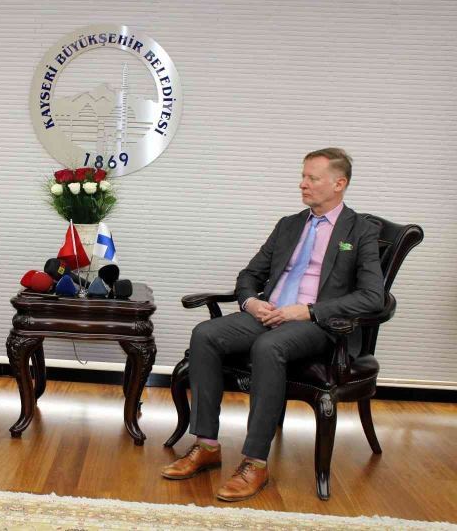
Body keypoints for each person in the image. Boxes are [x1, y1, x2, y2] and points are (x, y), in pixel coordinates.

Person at [160, 148, 384, 501]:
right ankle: (206, 444)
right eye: (303, 176)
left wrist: (308, 310)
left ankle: (255, 462)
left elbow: (373, 297)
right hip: (268, 314)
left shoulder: (361, 231)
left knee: (268, 346)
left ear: (339, 184)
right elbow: (250, 274)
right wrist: (251, 302)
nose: (302, 184)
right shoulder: (289, 225)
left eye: (312, 178)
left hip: (317, 325)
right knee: (205, 334)